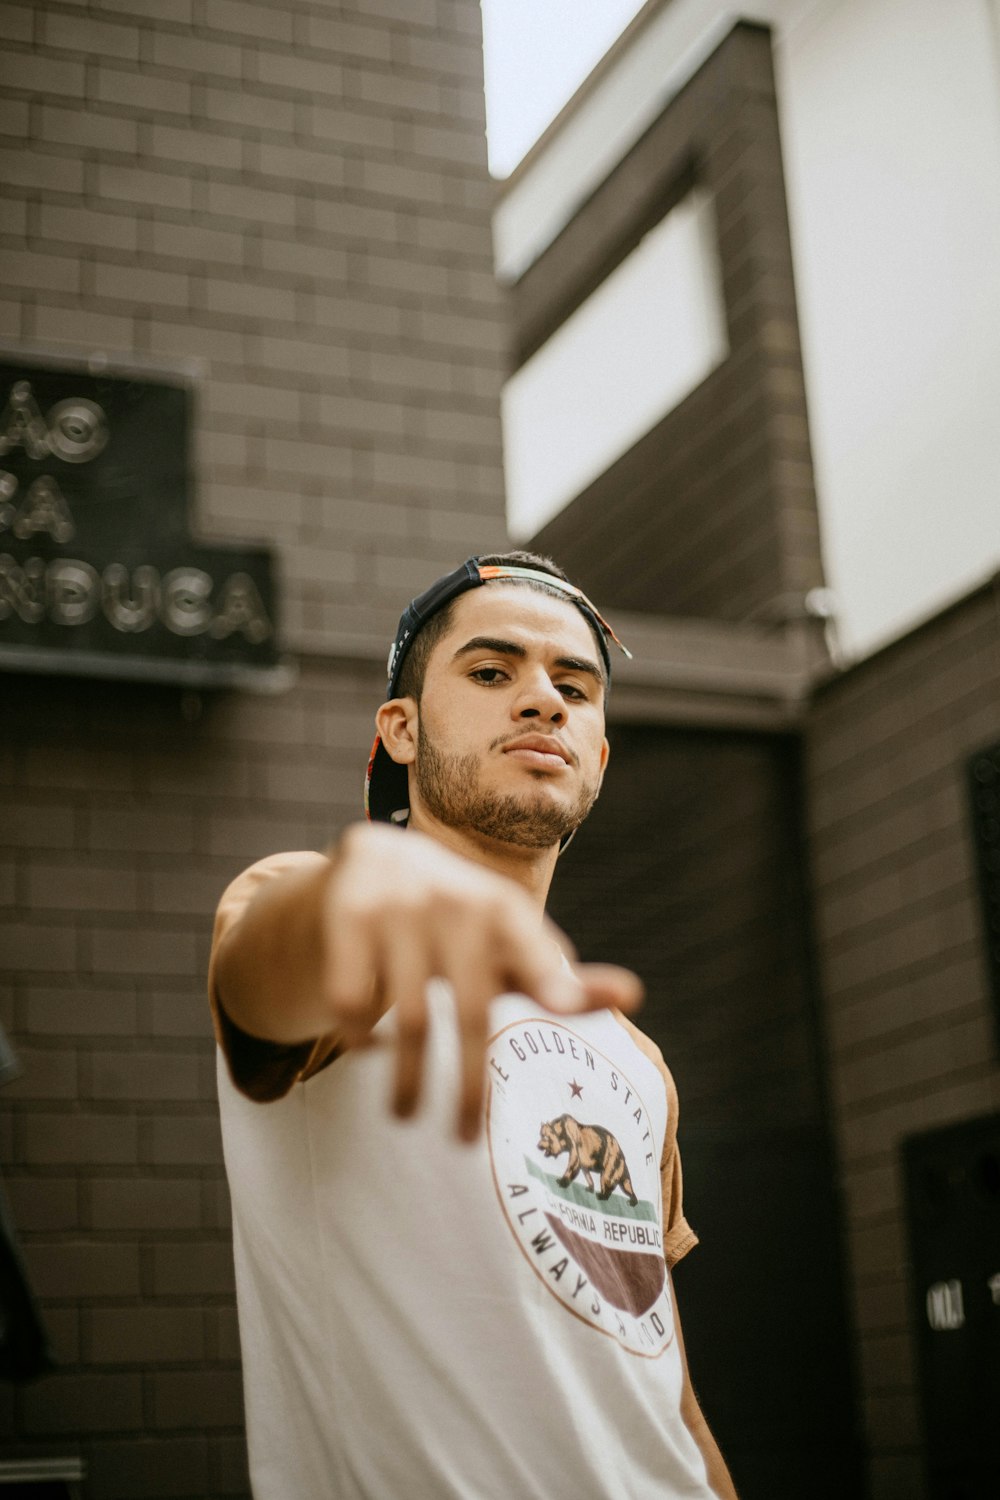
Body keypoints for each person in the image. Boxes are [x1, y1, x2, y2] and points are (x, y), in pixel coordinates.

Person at [209, 551, 738, 1500]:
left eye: (573, 685)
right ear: (401, 731)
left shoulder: (633, 1057)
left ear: (600, 754)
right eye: (493, 673)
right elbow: (261, 981)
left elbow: (660, 1379)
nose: (543, 700)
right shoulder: (319, 913)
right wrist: (357, 883)